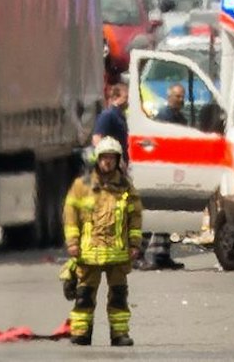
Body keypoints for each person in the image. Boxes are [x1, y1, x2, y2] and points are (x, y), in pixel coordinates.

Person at [64, 136, 141, 347]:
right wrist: (72, 242)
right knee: (84, 296)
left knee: (118, 297)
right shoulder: (82, 186)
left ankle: (119, 334)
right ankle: (81, 332)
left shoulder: (126, 188)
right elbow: (70, 214)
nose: (107, 162)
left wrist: (134, 244)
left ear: (118, 160)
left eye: (111, 158)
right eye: (104, 158)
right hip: (89, 253)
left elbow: (135, 217)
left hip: (118, 254)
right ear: (97, 160)